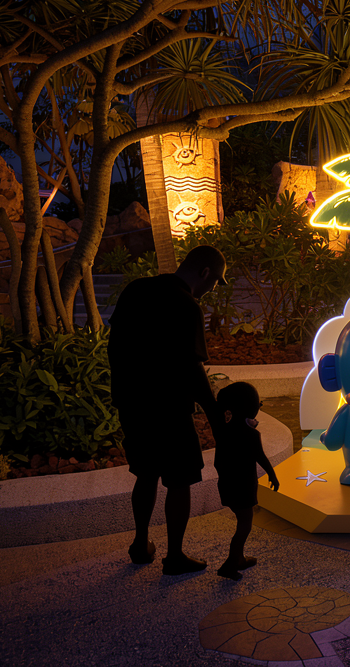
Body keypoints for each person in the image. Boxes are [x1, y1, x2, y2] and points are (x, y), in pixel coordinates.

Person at [108, 245, 227, 575]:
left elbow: (114, 347)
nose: (212, 288)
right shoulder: (187, 305)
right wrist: (214, 415)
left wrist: (123, 395)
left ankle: (140, 543)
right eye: (215, 281)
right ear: (204, 273)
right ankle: (174, 556)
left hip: (133, 405)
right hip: (170, 408)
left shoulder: (136, 290)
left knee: (145, 473)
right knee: (179, 480)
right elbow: (193, 369)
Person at [209, 382, 279, 580]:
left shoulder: (223, 431)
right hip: (243, 487)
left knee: (242, 521)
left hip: (227, 485)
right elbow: (260, 457)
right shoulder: (251, 434)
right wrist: (272, 475)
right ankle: (231, 563)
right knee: (244, 525)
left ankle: (238, 558)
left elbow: (217, 462)